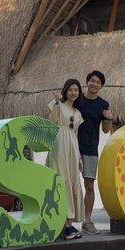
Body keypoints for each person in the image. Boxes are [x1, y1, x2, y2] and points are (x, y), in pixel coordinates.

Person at [47, 78, 85, 240]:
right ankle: (64, 224)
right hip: (58, 147)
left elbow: (75, 134)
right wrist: (57, 103)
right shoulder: (57, 104)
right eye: (70, 89)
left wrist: (79, 157)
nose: (73, 92)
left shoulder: (78, 114)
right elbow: (51, 122)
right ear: (65, 90)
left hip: (72, 149)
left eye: (76, 90)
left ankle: (69, 223)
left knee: (72, 181)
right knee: (61, 181)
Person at [78, 70, 112, 235]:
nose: (94, 84)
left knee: (89, 186)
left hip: (91, 148)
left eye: (98, 82)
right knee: (68, 183)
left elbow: (106, 130)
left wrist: (108, 118)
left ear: (101, 86)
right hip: (73, 147)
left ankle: (87, 221)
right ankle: (65, 221)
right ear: (87, 82)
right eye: (92, 80)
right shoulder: (77, 99)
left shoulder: (103, 104)